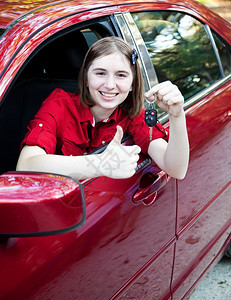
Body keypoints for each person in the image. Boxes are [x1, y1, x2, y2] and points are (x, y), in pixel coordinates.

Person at [16, 36, 189, 180]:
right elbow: (26, 166)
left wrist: (176, 116)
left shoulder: (133, 116)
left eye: (121, 75)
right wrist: (100, 165)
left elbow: (176, 170)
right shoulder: (59, 104)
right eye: (100, 73)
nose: (110, 85)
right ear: (85, 78)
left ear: (132, 84)